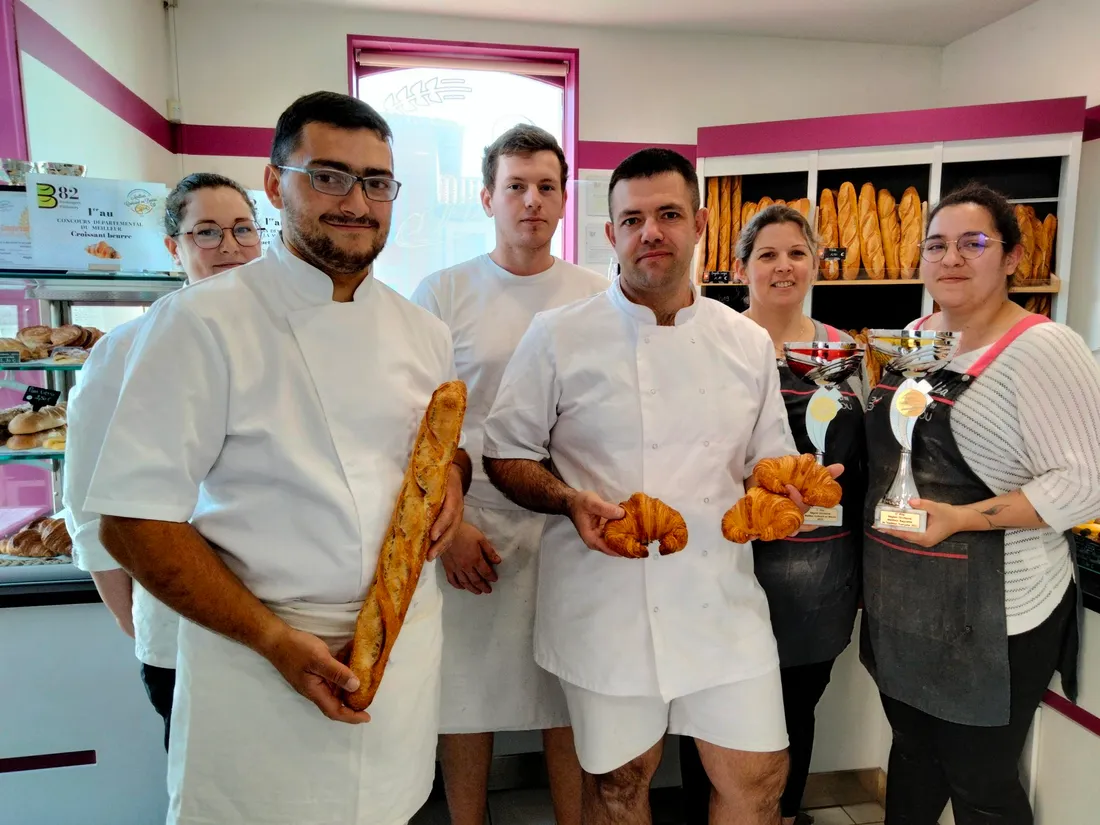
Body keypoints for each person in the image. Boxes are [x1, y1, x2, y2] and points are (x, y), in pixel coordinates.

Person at [83, 91, 471, 825]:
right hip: (257, 668)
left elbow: (441, 449)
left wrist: (454, 474)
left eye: (377, 182)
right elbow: (131, 522)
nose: (357, 201)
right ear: (274, 183)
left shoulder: (425, 332)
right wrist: (271, 638)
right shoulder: (201, 323)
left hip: (398, 660)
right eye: (328, 176)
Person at [481, 148, 840, 825]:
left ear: (700, 223)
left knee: (760, 776)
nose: (652, 232)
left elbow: (768, 460)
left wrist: (789, 493)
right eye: (633, 218)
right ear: (611, 232)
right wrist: (567, 500)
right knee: (621, 785)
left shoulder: (746, 342)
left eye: (669, 214)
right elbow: (505, 454)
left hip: (721, 602)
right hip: (604, 602)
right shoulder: (559, 335)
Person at [863, 182, 1100, 825]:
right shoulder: (911, 337)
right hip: (903, 598)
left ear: (1014, 256)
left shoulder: (1045, 348)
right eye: (937, 244)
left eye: (975, 243)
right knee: (911, 756)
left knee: (981, 783)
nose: (952, 259)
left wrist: (966, 518)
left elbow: (1084, 484)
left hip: (996, 614)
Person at [411, 124, 606, 825]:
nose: (532, 201)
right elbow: (427, 428)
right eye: (516, 186)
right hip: (474, 523)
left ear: (562, 202)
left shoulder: (595, 293)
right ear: (488, 197)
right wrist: (452, 524)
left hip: (567, 518)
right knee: (467, 697)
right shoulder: (444, 291)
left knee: (567, 695)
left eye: (546, 187)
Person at [679, 204, 866, 825]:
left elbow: (865, 469)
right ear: (740, 268)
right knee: (706, 706)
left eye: (796, 253)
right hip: (727, 561)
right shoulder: (714, 346)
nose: (783, 266)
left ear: (816, 262)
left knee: (795, 704)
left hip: (817, 572)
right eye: (767, 254)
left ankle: (781, 814)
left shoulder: (848, 354)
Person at [65, 173, 263, 752]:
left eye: (242, 229)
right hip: (182, 627)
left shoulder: (287, 340)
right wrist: (136, 621)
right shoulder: (125, 351)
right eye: (206, 232)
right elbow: (90, 503)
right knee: (211, 789)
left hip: (283, 622)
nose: (229, 246)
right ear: (173, 247)